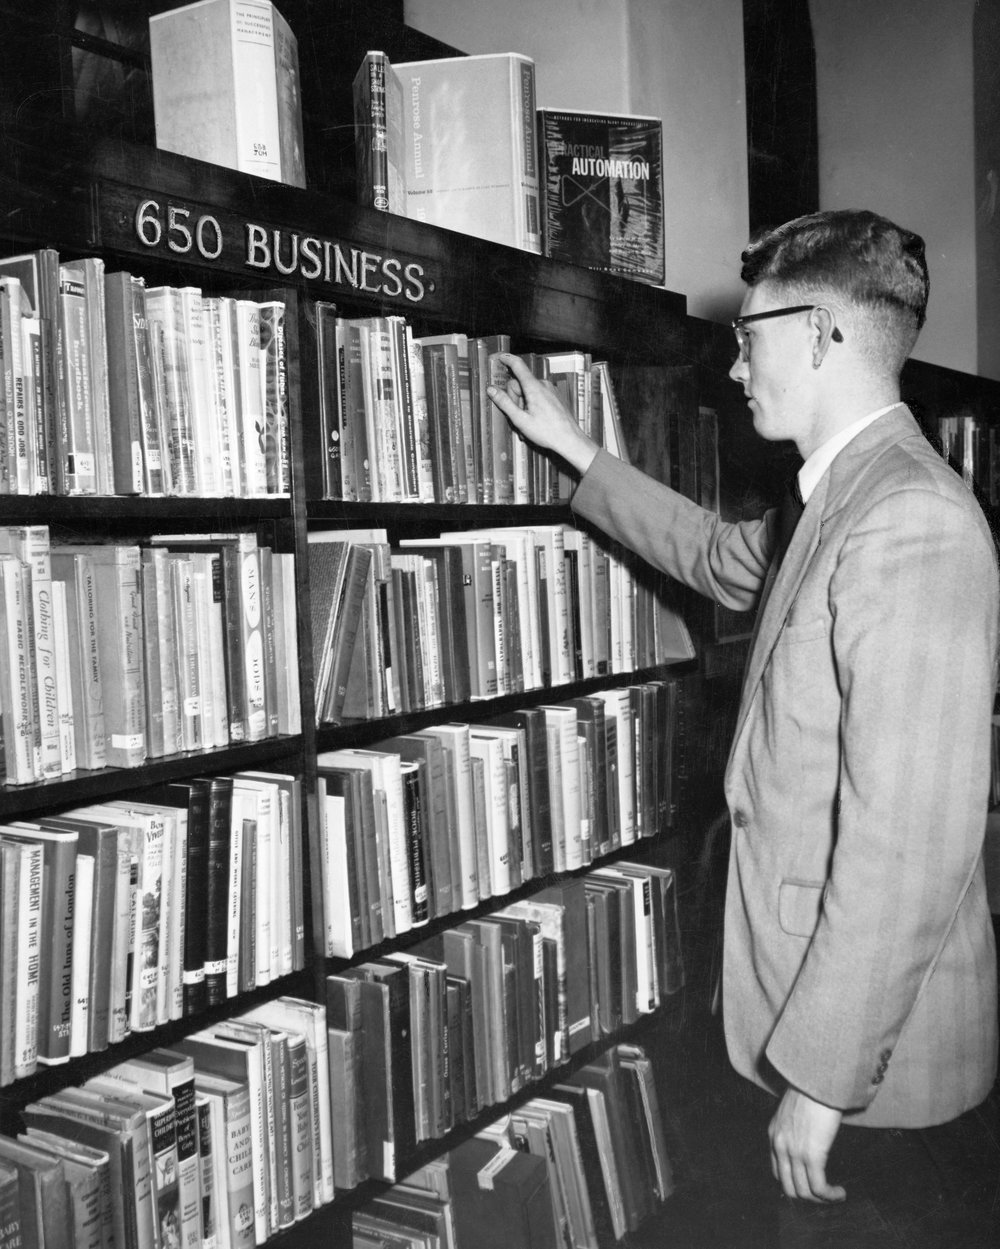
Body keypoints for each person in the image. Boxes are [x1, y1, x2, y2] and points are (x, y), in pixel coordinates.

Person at [487, 209, 999, 1204]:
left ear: (820, 334)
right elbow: (713, 555)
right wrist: (579, 455)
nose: (734, 368)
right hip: (801, 1017)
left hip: (864, 1079)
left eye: (747, 338)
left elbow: (910, 842)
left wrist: (822, 1072)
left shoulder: (907, 519)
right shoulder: (836, 499)